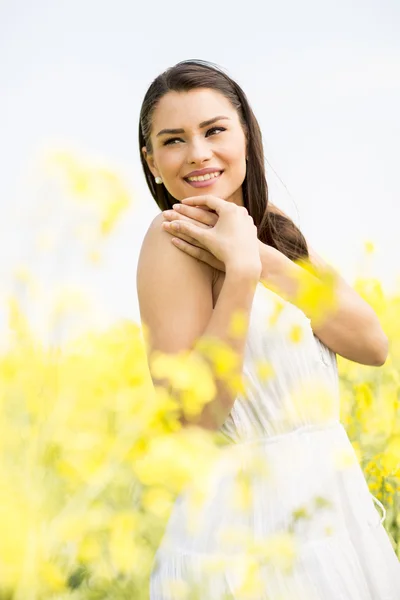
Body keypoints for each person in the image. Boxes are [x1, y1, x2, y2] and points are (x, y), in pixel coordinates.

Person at [137, 59, 400, 599]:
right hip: (246, 527)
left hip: (331, 504)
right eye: (174, 140)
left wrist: (257, 251)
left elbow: (371, 345)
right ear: (153, 160)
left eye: (214, 130)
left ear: (247, 136)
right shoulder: (172, 241)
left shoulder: (272, 224)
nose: (199, 153)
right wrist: (241, 273)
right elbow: (194, 421)